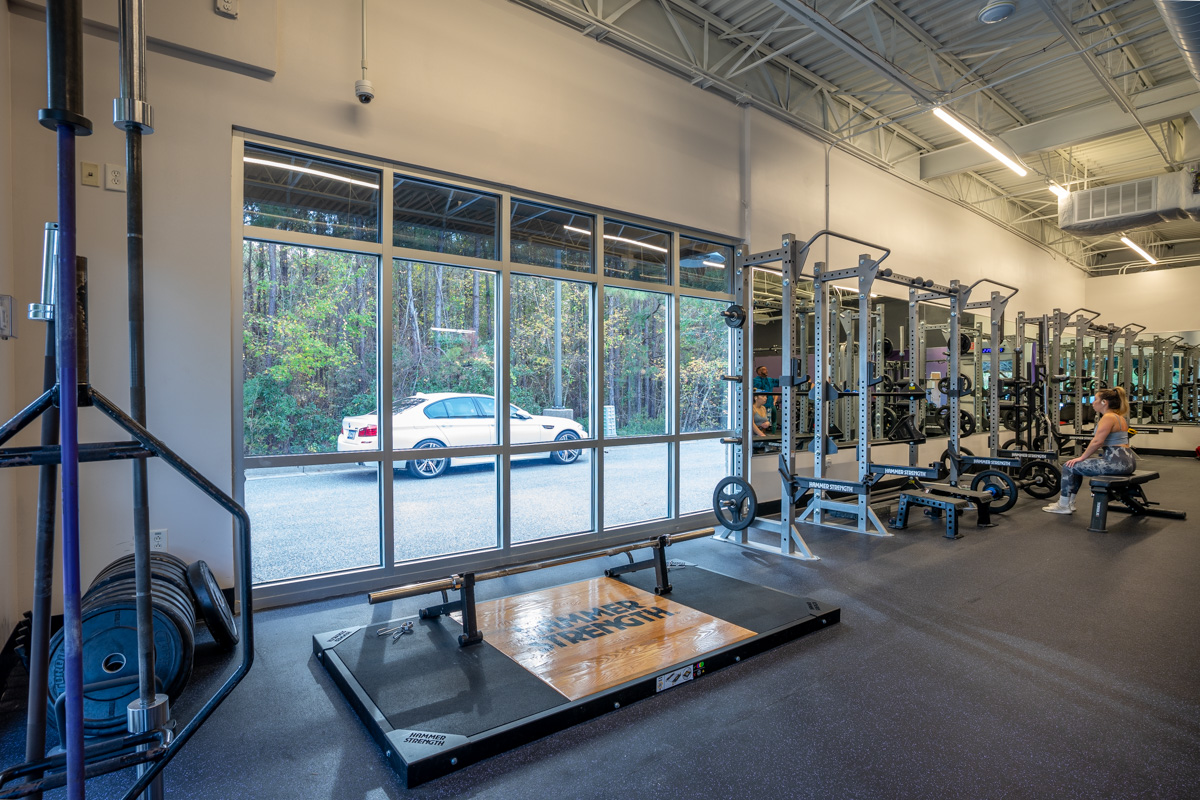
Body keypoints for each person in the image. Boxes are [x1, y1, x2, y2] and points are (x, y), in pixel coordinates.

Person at [1044, 386, 1136, 514]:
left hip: (1116, 463)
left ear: (1104, 402)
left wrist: (1082, 457)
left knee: (1068, 466)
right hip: (1127, 461)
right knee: (1075, 466)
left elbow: (1098, 442)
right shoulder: (1119, 417)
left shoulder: (1108, 417)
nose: (1093, 402)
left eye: (1095, 399)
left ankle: (1064, 505)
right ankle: (1069, 503)